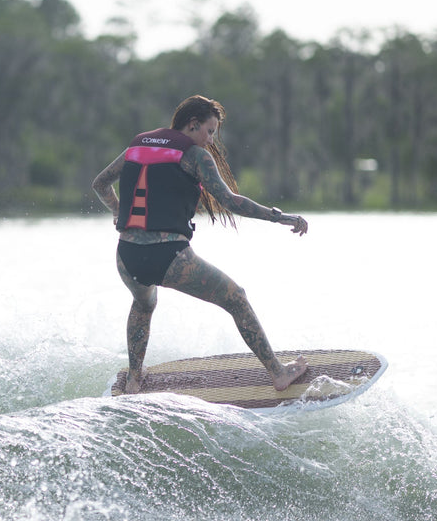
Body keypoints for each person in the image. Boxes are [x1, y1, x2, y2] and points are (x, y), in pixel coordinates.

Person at [91, 95, 310, 394]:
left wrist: (118, 210)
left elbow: (100, 183)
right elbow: (231, 202)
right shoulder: (194, 156)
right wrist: (280, 217)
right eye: (209, 131)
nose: (210, 140)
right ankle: (279, 373)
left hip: (127, 257)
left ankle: (133, 379)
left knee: (143, 303)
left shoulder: (136, 146)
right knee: (237, 298)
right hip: (168, 256)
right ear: (192, 125)